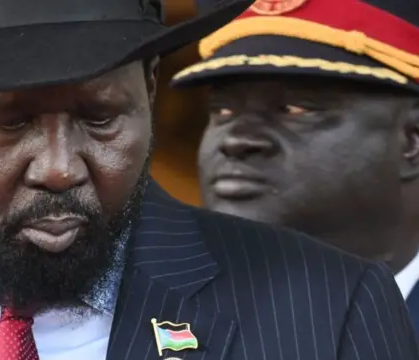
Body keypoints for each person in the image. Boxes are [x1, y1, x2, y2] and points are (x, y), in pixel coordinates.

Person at [0, 0, 416, 359]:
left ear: (150, 95)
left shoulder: (330, 309)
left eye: (100, 118)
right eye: (13, 120)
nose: (59, 167)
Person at [172, 0, 419, 331]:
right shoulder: (154, 318)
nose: (235, 140)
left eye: (294, 109)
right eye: (223, 111)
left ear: (412, 141)